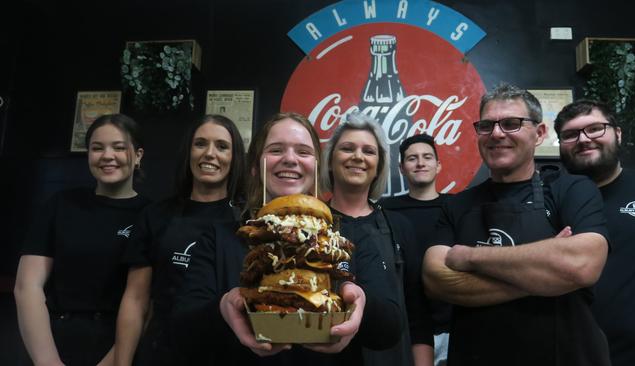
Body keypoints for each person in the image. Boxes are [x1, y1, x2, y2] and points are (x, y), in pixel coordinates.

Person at [174, 112, 402, 365]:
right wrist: (223, 307)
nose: (290, 159)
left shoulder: (347, 235)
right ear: (254, 167)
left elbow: (390, 331)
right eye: (276, 150)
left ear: (317, 168)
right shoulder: (221, 237)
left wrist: (362, 302)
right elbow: (181, 333)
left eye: (303, 152)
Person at [421, 83, 611, 366]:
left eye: (511, 124)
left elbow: (582, 264)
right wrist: (550, 277)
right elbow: (436, 279)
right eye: (487, 125)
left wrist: (470, 257)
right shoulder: (457, 204)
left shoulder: (571, 189)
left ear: (540, 133)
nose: (497, 133)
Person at [14, 114, 149, 366]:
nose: (107, 155)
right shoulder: (61, 204)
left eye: (119, 147)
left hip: (116, 346)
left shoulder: (151, 215)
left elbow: (144, 302)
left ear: (138, 155)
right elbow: (27, 287)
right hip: (49, 340)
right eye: (97, 148)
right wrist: (47, 361)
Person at [114, 114, 246, 366]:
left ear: (235, 157)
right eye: (200, 144)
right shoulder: (156, 216)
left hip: (227, 352)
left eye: (222, 146)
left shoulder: (250, 222)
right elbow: (136, 299)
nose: (209, 153)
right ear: (188, 152)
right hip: (162, 352)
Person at [321, 111, 434, 366]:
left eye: (369, 151)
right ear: (330, 161)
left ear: (379, 167)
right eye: (347, 148)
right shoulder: (310, 224)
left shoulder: (399, 226)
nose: (358, 157)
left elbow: (417, 312)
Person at [556, 100, 635, 366]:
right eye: (571, 134)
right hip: (564, 355)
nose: (584, 140)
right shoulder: (546, 199)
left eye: (595, 128)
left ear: (617, 133)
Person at [380, 134, 451, 365]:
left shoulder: (458, 206)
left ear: (438, 165)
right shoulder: (384, 210)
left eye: (427, 157)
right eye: (412, 158)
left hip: (453, 325)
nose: (420, 163)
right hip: (403, 328)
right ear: (401, 168)